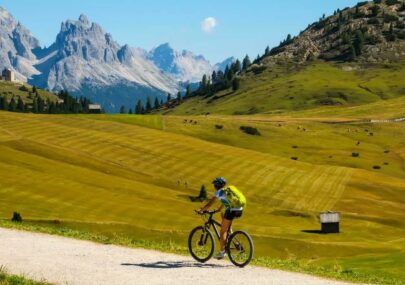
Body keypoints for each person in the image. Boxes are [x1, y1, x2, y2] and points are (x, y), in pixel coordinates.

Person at [198, 177, 246, 260]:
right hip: (240, 209)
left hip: (231, 211)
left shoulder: (218, 192)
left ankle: (222, 252)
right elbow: (227, 201)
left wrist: (201, 211)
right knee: (226, 226)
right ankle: (235, 242)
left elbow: (209, 205)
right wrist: (219, 209)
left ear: (216, 185)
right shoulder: (228, 190)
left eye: (214, 185)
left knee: (223, 231)